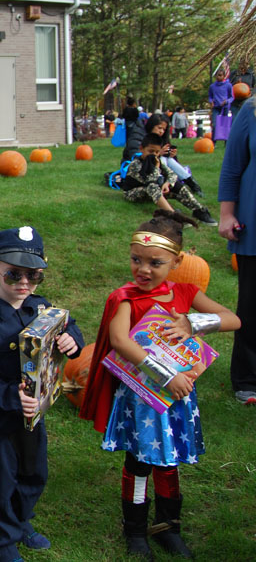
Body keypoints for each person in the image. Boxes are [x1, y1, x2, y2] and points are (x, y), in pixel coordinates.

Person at [79, 211, 239, 559]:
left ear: (177, 261)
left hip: (175, 400)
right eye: (136, 260)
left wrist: (193, 322)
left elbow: (233, 319)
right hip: (141, 398)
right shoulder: (125, 298)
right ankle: (135, 531)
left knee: (169, 462)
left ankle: (169, 528)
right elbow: (120, 341)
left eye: (155, 262)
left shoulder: (185, 294)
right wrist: (166, 375)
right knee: (138, 463)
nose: (143, 270)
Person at [0, 226, 83, 562]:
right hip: (0, 419)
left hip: (34, 414)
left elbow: (67, 325)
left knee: (33, 471)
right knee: (0, 480)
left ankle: (21, 520)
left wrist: (73, 341)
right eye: (13, 274)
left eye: (34, 276)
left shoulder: (41, 307)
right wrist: (10, 396)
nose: (24, 284)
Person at [218, 96, 256, 404]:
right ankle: (248, 378)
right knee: (253, 305)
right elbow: (233, 166)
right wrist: (227, 214)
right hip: (254, 224)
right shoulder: (252, 110)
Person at [121, 133, 216, 225]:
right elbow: (151, 181)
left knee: (177, 185)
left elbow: (172, 174)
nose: (154, 154)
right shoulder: (135, 165)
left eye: (157, 152)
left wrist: (168, 184)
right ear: (141, 148)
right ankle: (173, 215)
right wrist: (157, 168)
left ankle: (198, 210)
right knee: (152, 187)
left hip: (154, 193)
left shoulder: (157, 161)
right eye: (150, 151)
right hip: (134, 193)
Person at [143, 113, 204, 196]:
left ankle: (192, 183)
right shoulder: (143, 137)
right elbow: (140, 156)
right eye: (159, 128)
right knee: (165, 159)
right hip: (146, 167)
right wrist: (158, 153)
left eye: (163, 129)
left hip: (163, 165)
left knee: (169, 159)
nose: (161, 131)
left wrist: (172, 155)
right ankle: (162, 183)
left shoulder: (163, 139)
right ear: (152, 125)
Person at [209, 68, 233, 143]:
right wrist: (211, 101)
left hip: (225, 107)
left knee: (225, 125)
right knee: (215, 125)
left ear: (224, 76)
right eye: (217, 75)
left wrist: (227, 101)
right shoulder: (212, 86)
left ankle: (227, 142)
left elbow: (232, 97)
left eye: (220, 75)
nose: (218, 77)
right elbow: (210, 96)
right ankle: (213, 142)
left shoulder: (228, 85)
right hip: (216, 107)